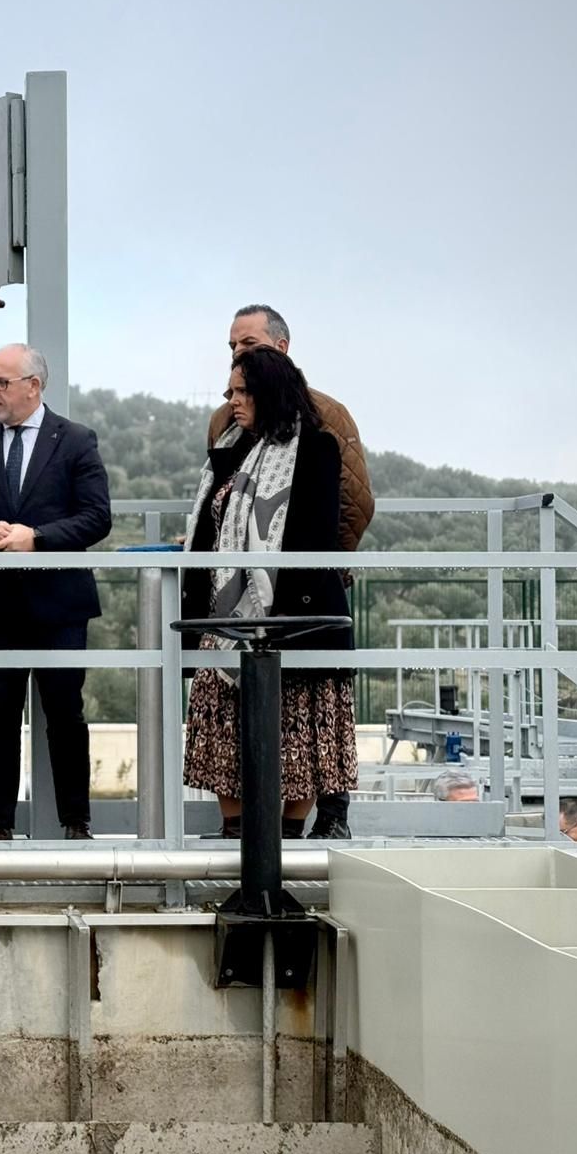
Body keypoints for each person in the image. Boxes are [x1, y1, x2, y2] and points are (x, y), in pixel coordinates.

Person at [210, 304, 373, 840]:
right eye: (233, 345)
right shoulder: (226, 427)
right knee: (233, 724)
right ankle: (244, 836)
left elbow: (349, 507)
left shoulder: (327, 419)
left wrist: (302, 583)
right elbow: (217, 512)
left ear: (280, 345)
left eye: (249, 343)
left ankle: (326, 820)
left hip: (301, 604)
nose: (239, 353)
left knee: (307, 722)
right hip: (235, 610)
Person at [0, 343, 112, 841]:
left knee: (65, 713)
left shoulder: (77, 440)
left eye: (0, 382)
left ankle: (76, 824)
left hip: (59, 605)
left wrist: (35, 539)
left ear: (33, 386)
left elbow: (96, 517)